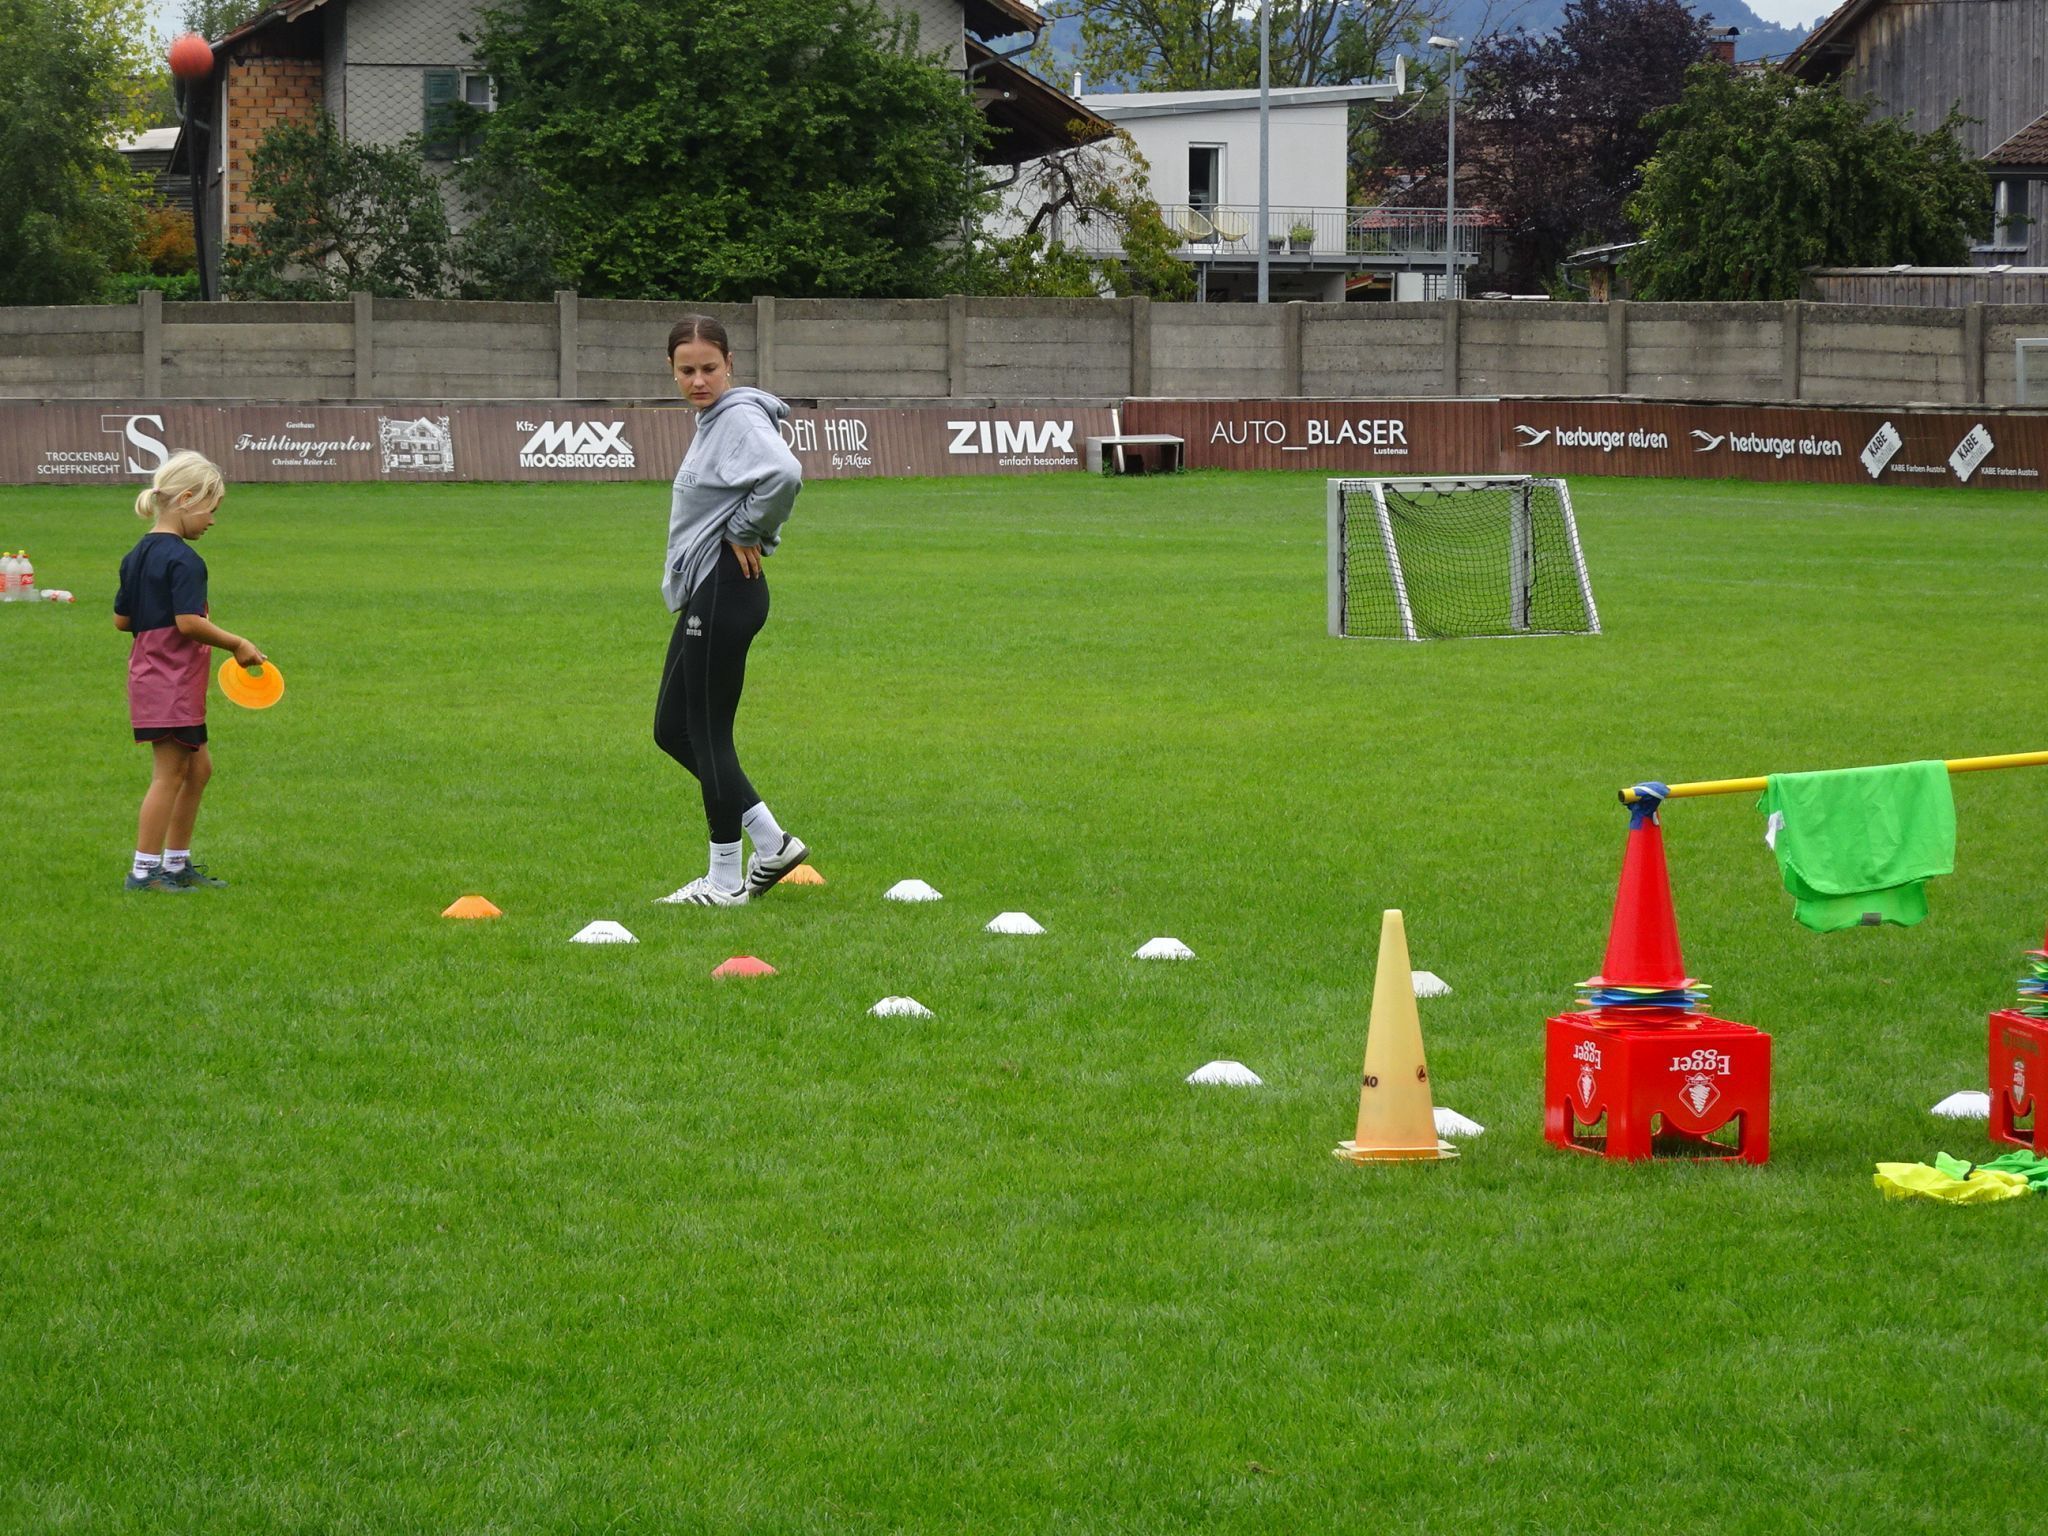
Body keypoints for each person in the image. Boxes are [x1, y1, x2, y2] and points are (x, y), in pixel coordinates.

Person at [654, 314, 809, 906]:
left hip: (726, 587)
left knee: (708, 734)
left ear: (730, 366)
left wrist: (748, 527)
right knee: (673, 730)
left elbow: (783, 474)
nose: (698, 380)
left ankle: (725, 880)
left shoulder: (739, 416)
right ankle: (770, 843)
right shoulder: (709, 420)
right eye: (686, 370)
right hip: (708, 589)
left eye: (708, 368)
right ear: (671, 371)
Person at [114, 450, 264, 892]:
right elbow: (188, 622)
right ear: (186, 499)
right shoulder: (184, 560)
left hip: (154, 675)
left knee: (198, 771)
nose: (212, 521)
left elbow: (122, 620)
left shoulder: (135, 555)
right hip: (170, 682)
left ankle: (177, 865)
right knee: (169, 775)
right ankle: (144, 872)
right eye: (211, 510)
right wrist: (237, 643)